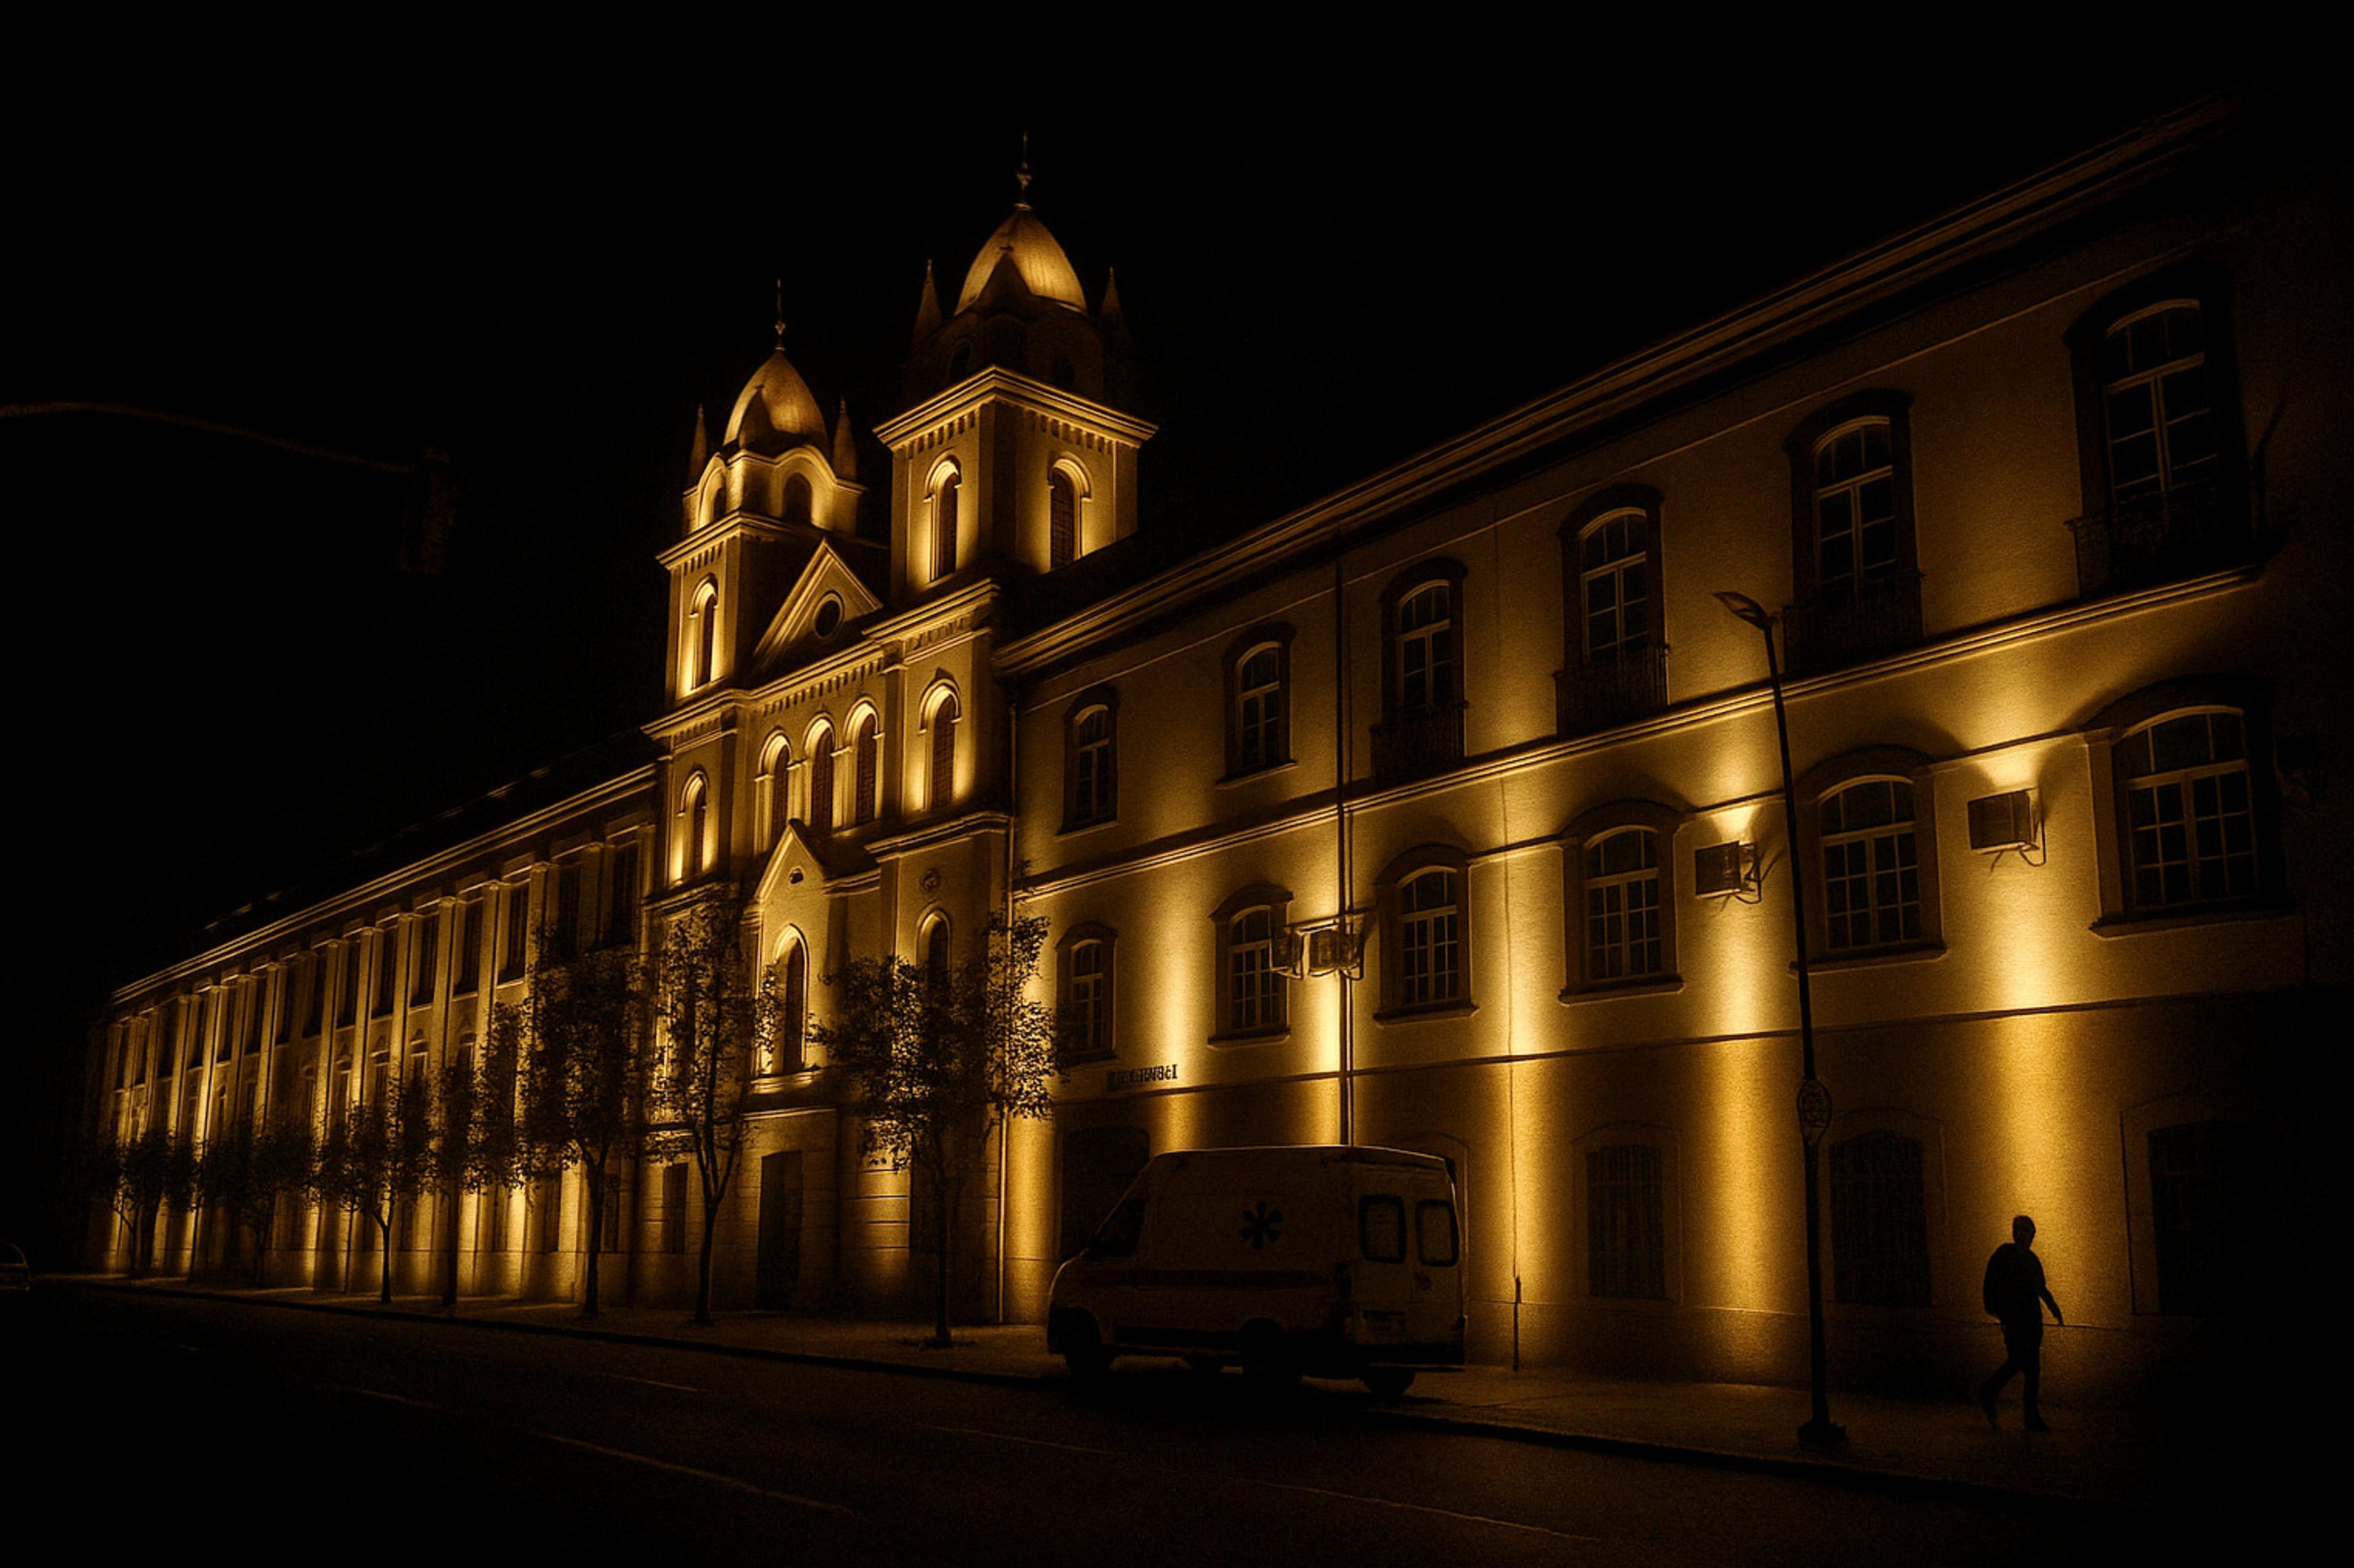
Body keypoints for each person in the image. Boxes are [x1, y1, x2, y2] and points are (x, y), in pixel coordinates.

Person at [1980, 1214, 2062, 1431]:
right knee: (2024, 1364)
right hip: (2016, 1321)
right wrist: (2002, 1314)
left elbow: (2040, 1288)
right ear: (2015, 1233)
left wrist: (2054, 1309)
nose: (2025, 1237)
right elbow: (1993, 1287)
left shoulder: (2029, 1260)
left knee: (2027, 1366)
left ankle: (2026, 1414)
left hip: (2030, 1322)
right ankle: (1996, 1394)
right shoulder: (2005, 1256)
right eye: (2022, 1232)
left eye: (2028, 1234)